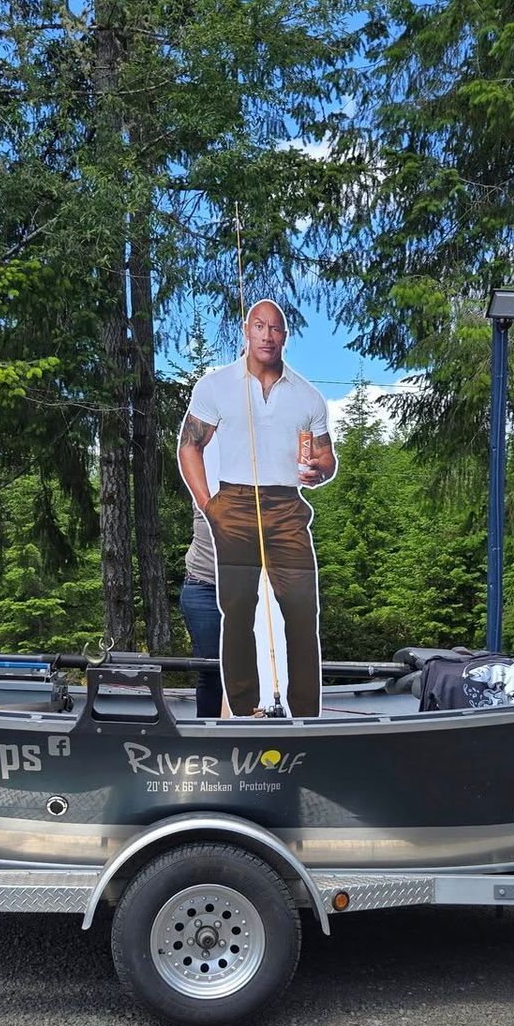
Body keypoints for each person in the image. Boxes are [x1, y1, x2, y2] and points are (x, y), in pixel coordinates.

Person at [176, 299, 336, 718]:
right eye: (260, 326)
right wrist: (209, 505)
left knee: (302, 611)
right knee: (238, 608)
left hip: (286, 506)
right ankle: (244, 711)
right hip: (235, 501)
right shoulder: (215, 386)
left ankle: (306, 716)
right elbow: (189, 445)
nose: (268, 335)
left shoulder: (308, 395)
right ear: (246, 331)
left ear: (285, 336)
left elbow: (326, 456)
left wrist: (322, 468)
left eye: (276, 328)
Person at [178, 506, 225, 717]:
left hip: (252, 587)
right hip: (203, 586)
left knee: (258, 663)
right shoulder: (205, 478)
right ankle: (209, 735)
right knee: (212, 667)